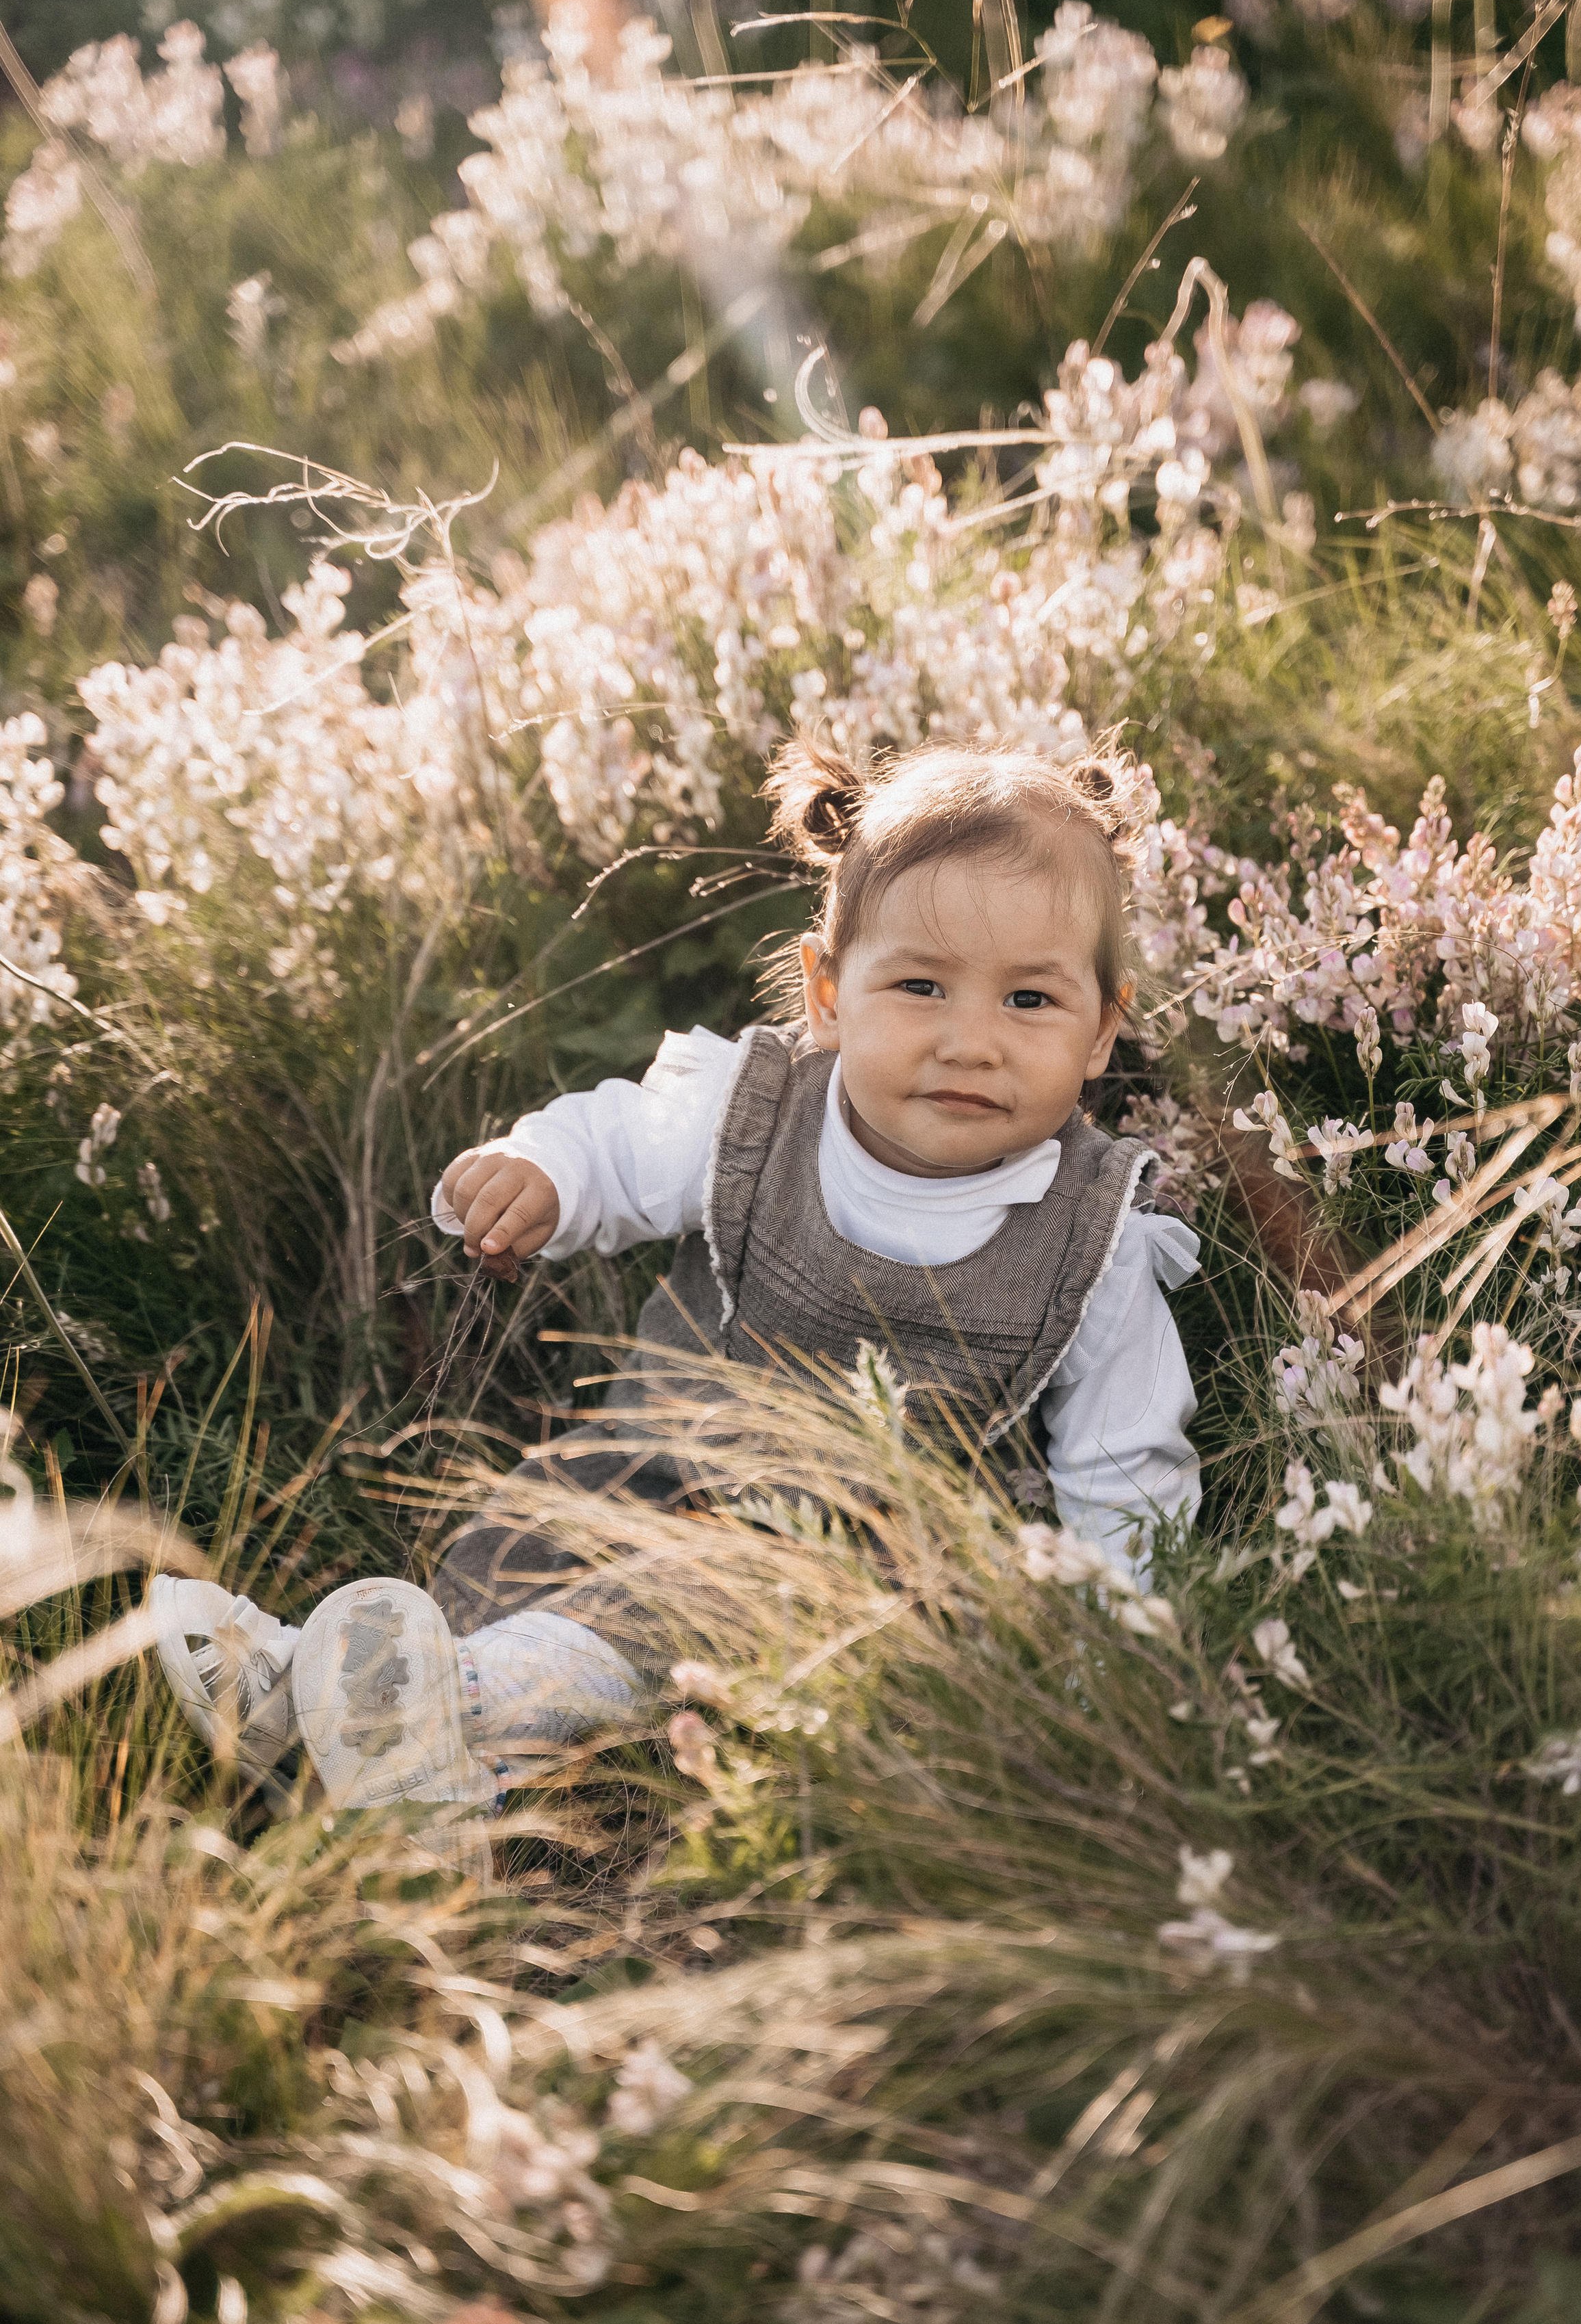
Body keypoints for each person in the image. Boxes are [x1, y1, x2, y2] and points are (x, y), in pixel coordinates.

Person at [151, 738, 1201, 1827]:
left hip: (843, 1573)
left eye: (1030, 1000)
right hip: (645, 1466)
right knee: (520, 1552)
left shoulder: (1096, 1246)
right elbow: (618, 1143)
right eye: (921, 985)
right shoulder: (749, 1112)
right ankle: (345, 1708)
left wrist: (1111, 1682)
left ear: (1101, 1030)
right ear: (829, 993)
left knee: (672, 1613)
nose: (971, 1042)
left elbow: (1126, 1478)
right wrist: (547, 1174)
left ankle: (436, 1715)